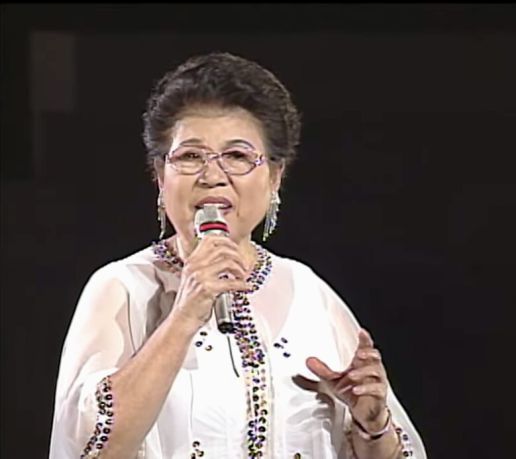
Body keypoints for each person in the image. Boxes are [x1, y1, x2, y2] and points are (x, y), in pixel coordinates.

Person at [49, 51, 427, 459]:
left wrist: (373, 427)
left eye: (237, 156)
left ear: (275, 177)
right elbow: (86, 448)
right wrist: (184, 316)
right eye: (190, 156)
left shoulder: (310, 293)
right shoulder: (121, 287)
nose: (213, 176)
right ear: (159, 175)